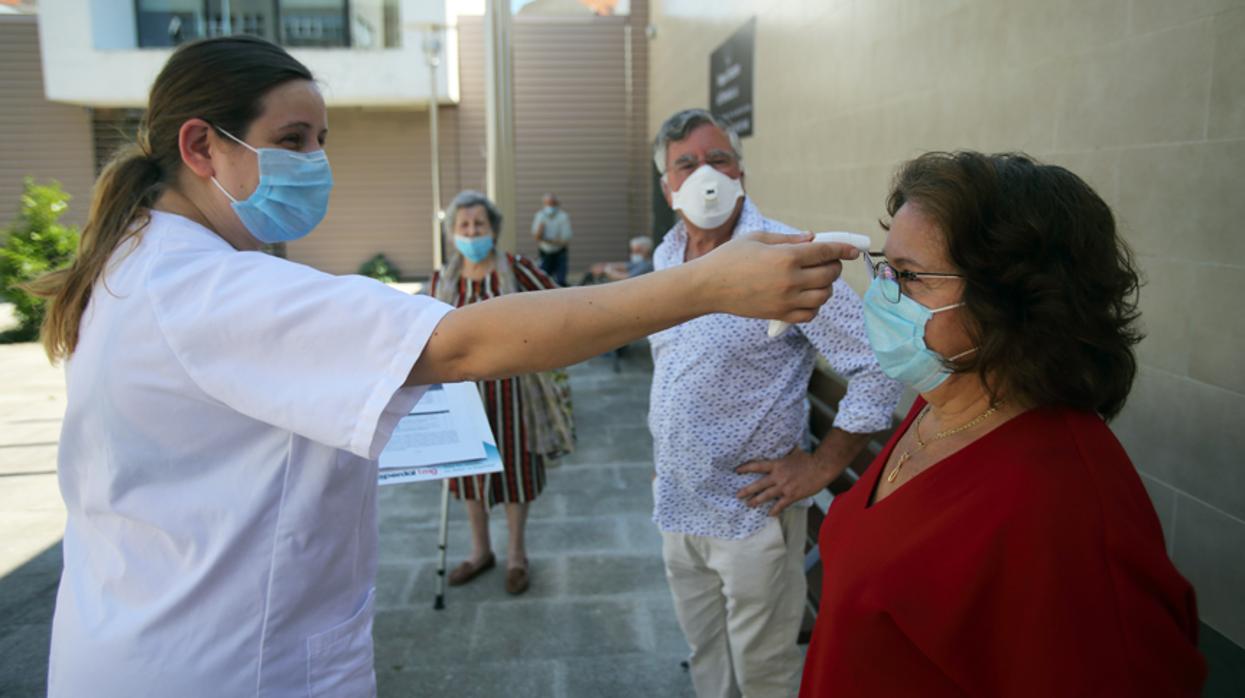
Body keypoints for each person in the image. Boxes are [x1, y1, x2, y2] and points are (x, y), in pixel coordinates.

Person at [27, 37, 858, 698]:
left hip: (163, 633)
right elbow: (462, 342)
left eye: (320, 140)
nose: (315, 162)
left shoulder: (145, 264)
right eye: (291, 140)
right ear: (201, 145)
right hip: (217, 662)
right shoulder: (205, 287)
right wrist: (704, 286)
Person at [799, 151, 1206, 696]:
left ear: (1011, 301)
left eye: (911, 276)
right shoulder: (943, 400)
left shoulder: (1066, 511)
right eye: (885, 268)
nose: (882, 294)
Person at [646, 108, 904, 698]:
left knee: (764, 670)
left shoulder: (787, 256)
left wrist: (819, 466)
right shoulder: (667, 255)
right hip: (678, 501)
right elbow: (672, 367)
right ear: (668, 186)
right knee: (704, 652)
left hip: (749, 514)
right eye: (686, 164)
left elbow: (877, 365)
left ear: (742, 170)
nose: (705, 174)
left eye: (719, 159)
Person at [430, 190, 571, 596]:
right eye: (464, 226)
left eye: (479, 225)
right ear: (453, 232)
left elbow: (554, 303)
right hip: (461, 396)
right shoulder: (443, 278)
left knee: (515, 475)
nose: (472, 232)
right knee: (468, 478)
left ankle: (516, 556)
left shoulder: (516, 269)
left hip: (514, 393)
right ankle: (480, 552)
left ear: (493, 229)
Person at [531, 192, 572, 284]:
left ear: (557, 204)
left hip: (559, 253)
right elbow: (536, 236)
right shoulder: (540, 216)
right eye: (548, 203)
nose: (550, 206)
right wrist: (540, 234)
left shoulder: (563, 217)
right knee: (543, 280)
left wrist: (548, 240)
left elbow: (565, 239)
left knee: (560, 281)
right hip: (545, 253)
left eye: (552, 203)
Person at [582, 235, 655, 284]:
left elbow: (627, 278)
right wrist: (603, 266)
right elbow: (624, 265)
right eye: (632, 251)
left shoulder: (648, 265)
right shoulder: (640, 262)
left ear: (646, 250)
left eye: (637, 251)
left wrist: (607, 270)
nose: (633, 254)